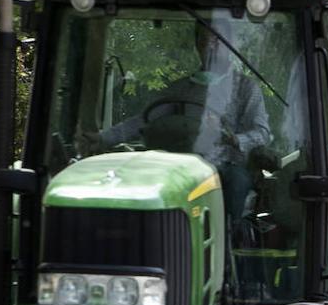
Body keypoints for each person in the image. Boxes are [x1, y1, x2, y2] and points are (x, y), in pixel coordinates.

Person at [92, 19, 272, 221]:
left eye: (216, 40)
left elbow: (262, 133)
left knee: (236, 182)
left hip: (224, 165)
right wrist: (102, 138)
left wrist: (235, 139)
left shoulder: (246, 89)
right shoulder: (180, 89)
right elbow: (143, 121)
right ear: (197, 46)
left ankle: (228, 239)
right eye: (203, 40)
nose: (209, 46)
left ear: (229, 44)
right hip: (180, 165)